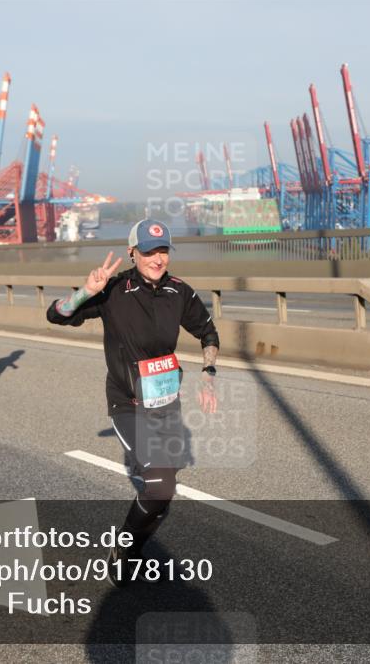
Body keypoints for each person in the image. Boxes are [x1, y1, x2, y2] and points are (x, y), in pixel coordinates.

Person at [46, 220, 219, 586]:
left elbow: (207, 331)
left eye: (163, 251)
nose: (157, 259)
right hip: (128, 403)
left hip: (166, 403)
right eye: (148, 251)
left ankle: (135, 543)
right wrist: (84, 292)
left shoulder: (179, 291)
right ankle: (122, 548)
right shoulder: (113, 291)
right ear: (132, 253)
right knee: (159, 488)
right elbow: (57, 314)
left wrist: (208, 372)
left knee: (162, 492)